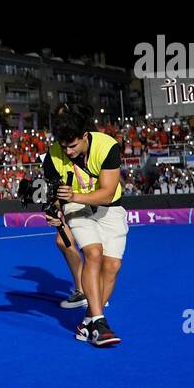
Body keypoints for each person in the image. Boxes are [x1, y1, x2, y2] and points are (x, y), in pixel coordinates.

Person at [43, 106, 126, 347]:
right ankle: (100, 323)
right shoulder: (53, 155)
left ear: (85, 136)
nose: (67, 152)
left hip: (108, 206)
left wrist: (74, 196)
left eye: (73, 146)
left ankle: (87, 322)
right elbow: (54, 196)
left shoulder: (106, 146)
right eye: (63, 146)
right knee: (93, 253)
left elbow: (108, 194)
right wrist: (55, 212)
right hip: (75, 208)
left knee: (113, 265)